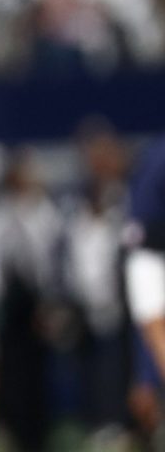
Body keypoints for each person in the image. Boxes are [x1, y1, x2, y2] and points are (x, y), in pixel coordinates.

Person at [126, 135, 165, 383]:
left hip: (147, 249)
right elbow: (139, 231)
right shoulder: (157, 155)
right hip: (149, 254)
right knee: (154, 328)